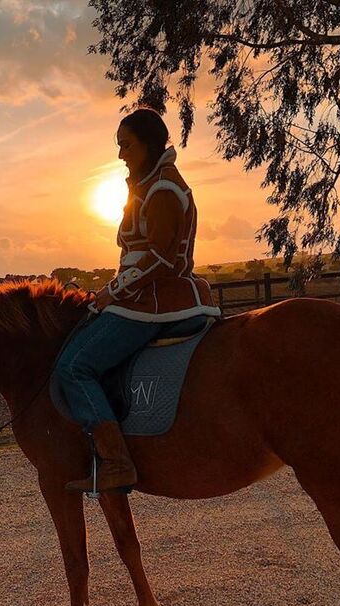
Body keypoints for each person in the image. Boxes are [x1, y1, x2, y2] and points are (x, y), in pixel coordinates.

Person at [57, 108, 220, 493]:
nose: (121, 154)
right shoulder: (149, 185)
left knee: (74, 368)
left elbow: (162, 258)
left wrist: (112, 291)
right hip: (141, 296)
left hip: (155, 301)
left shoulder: (163, 190)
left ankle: (115, 461)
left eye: (126, 145)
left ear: (149, 144)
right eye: (119, 146)